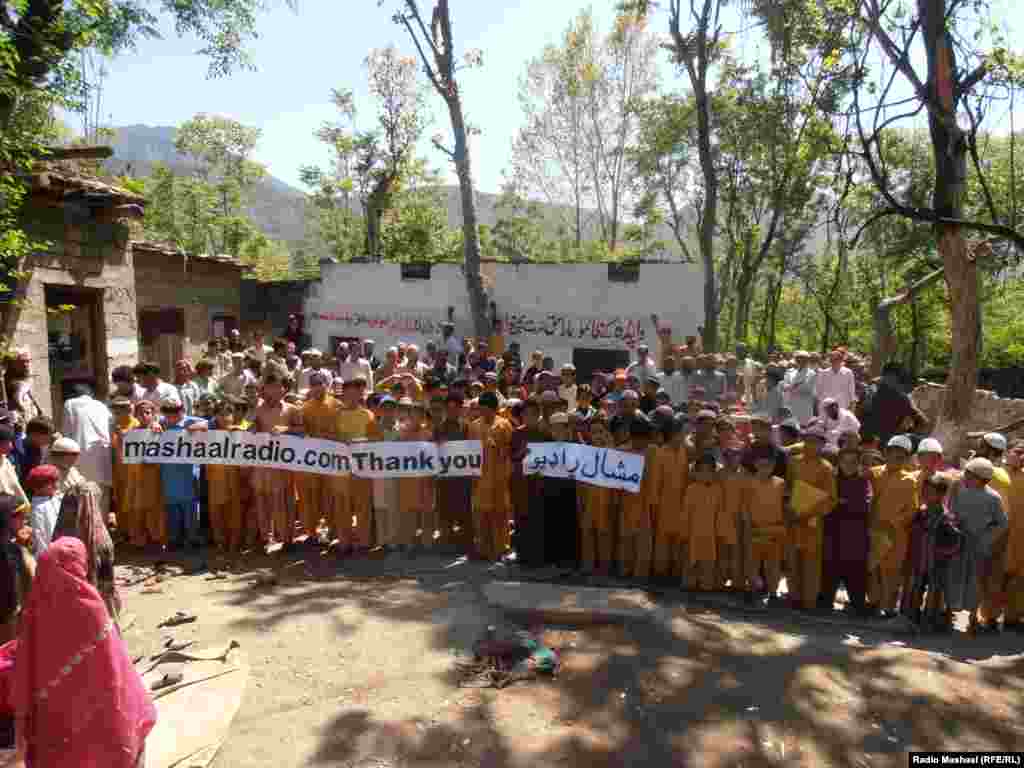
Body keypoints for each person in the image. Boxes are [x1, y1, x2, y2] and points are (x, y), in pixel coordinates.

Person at [11, 538, 156, 768]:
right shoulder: (91, 605)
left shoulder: (33, 611)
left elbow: (23, 668)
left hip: (54, 724)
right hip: (101, 716)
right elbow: (114, 663)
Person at [948, 457, 1010, 634]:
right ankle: (949, 611)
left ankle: (973, 617)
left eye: (968, 474)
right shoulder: (961, 492)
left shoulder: (993, 498)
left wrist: (986, 538)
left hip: (979, 547)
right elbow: (953, 511)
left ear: (979, 478)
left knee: (975, 582)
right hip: (959, 543)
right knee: (956, 577)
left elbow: (1002, 523)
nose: (964, 477)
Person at [51, 477, 120, 622]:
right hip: (98, 614)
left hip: (69, 613)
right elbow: (108, 584)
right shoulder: (101, 540)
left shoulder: (60, 537)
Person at [250, 369, 302, 551]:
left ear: (283, 389)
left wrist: (286, 430)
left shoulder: (292, 409)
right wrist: (252, 429)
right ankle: (265, 538)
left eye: (277, 386)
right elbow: (249, 428)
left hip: (283, 464)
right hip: (262, 464)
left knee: (284, 501)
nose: (273, 390)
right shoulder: (257, 409)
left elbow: (302, 432)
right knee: (262, 501)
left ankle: (287, 539)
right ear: (264, 389)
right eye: (269, 387)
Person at [786, 423, 837, 611]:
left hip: (813, 521)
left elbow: (831, 499)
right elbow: (789, 487)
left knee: (811, 561)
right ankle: (794, 597)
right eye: (807, 441)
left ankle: (809, 601)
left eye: (815, 442)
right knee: (793, 558)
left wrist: (811, 513)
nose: (811, 445)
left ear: (822, 445)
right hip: (794, 517)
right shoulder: (794, 462)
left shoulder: (826, 468)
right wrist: (790, 508)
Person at [867, 435, 919, 616]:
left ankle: (888, 607)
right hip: (873, 530)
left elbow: (912, 510)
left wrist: (894, 523)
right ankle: (873, 602)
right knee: (872, 568)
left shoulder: (909, 481)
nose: (896, 459)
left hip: (895, 534)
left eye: (901, 456)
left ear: (906, 459)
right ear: (886, 453)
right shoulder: (873, 473)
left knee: (891, 572)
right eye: (893, 454)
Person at [821, 446, 872, 615]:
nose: (849, 465)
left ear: (858, 464)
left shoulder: (864, 481)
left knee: (855, 571)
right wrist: (842, 504)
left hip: (855, 536)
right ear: (839, 462)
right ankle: (825, 602)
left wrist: (841, 504)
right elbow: (825, 504)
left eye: (853, 462)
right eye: (845, 462)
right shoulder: (831, 479)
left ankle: (858, 604)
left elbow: (864, 506)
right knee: (830, 569)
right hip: (832, 533)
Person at [474, 391, 514, 561]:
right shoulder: (473, 426)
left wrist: (498, 447)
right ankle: (482, 548)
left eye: (485, 409)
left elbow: (510, 450)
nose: (483, 412)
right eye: (480, 409)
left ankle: (501, 548)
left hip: (499, 478)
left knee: (500, 514)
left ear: (494, 409)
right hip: (480, 479)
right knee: (481, 513)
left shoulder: (504, 425)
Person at [61, 383, 112, 510]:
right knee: (101, 496)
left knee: (84, 496)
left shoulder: (70, 404)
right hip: (102, 454)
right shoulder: (101, 406)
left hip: (81, 455)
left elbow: (67, 433)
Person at [745, 444, 787, 600]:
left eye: (769, 465)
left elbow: (784, 507)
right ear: (755, 464)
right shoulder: (749, 482)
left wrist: (782, 526)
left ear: (774, 466)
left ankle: (773, 593)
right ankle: (753, 590)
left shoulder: (780, 483)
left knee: (773, 565)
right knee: (753, 563)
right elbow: (745, 507)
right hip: (755, 529)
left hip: (774, 530)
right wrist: (748, 526)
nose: (765, 468)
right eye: (761, 465)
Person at [434, 395, 473, 553]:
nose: (451, 411)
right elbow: (432, 451)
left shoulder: (467, 427)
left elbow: (472, 451)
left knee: (464, 511)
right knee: (445, 513)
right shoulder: (438, 428)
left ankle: (465, 545)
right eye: (448, 408)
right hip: (445, 478)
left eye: (455, 408)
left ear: (460, 409)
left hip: (463, 479)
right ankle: (446, 544)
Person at [653, 415, 690, 582]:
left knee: (677, 539)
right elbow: (655, 483)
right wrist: (655, 505)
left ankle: (675, 572)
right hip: (663, 504)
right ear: (672, 435)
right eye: (681, 433)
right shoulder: (660, 454)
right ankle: (661, 573)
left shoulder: (683, 451)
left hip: (680, 504)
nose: (683, 436)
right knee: (662, 540)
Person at [860, 363, 927, 447]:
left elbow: (922, 421)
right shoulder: (871, 391)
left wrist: (902, 435)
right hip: (868, 442)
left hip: (882, 443)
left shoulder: (902, 398)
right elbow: (922, 422)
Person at [0, 494, 34, 644]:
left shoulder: (13, 546)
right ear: (6, 518)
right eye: (20, 516)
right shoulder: (8, 551)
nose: (24, 521)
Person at [686, 452, 722, 590]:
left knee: (708, 559)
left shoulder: (717, 490)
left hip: (711, 532)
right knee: (692, 558)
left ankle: (706, 584)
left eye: (709, 471)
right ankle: (690, 583)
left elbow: (720, 513)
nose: (705, 474)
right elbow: (686, 512)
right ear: (696, 472)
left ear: (714, 472)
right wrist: (685, 531)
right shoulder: (691, 489)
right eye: (702, 470)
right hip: (693, 531)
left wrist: (719, 531)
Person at [26, 466, 61, 555]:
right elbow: (40, 539)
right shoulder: (37, 509)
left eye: (56, 481)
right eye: (50, 483)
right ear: (37, 487)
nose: (55, 485)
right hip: (50, 556)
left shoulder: (56, 499)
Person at [783, 351, 817, 425]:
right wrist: (795, 385)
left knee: (803, 428)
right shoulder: (790, 371)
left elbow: (807, 388)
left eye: (802, 358)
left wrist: (791, 387)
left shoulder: (812, 373)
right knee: (789, 428)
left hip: (804, 405)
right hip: (790, 404)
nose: (800, 360)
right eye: (798, 358)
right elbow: (784, 386)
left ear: (807, 360)